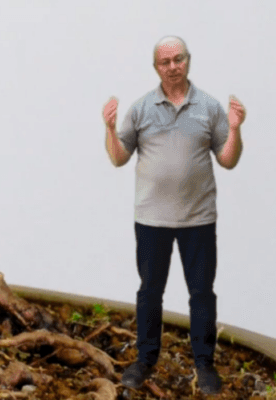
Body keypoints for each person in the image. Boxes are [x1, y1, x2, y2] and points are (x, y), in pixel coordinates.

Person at [101, 36, 245, 396]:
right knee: (150, 292)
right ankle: (145, 359)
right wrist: (108, 129)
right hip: (152, 220)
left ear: (188, 60)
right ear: (156, 68)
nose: (173, 66)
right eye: (165, 62)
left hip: (198, 219)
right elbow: (119, 157)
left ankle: (205, 364)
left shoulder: (209, 107)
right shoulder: (140, 109)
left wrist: (237, 128)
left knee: (201, 293)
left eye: (178, 59)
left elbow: (228, 160)